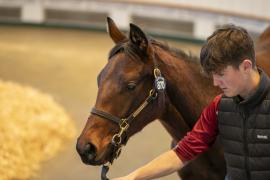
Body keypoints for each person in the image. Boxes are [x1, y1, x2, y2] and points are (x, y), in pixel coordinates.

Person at [112, 24, 270, 180]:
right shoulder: (219, 106)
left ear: (246, 66)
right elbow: (182, 152)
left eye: (221, 74)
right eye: (213, 75)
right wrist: (132, 177)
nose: (215, 82)